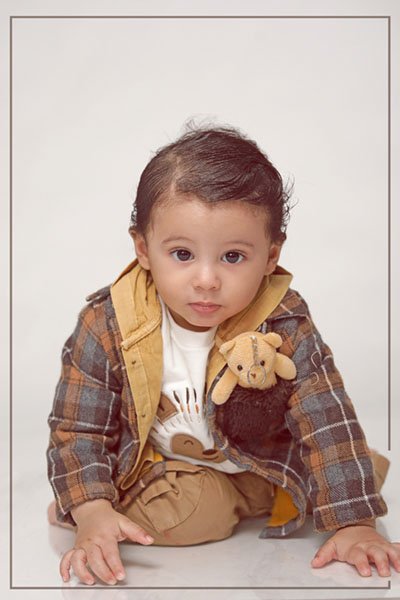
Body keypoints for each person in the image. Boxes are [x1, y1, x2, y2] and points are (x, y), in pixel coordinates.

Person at [47, 125, 399, 586]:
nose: (207, 280)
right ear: (144, 249)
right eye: (182, 254)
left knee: (353, 470)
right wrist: (90, 508)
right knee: (193, 515)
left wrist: (355, 524)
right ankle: (85, 503)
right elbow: (79, 428)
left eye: (233, 257)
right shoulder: (109, 322)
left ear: (270, 256)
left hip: (259, 456)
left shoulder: (283, 320)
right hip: (167, 467)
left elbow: (325, 414)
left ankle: (272, 491)